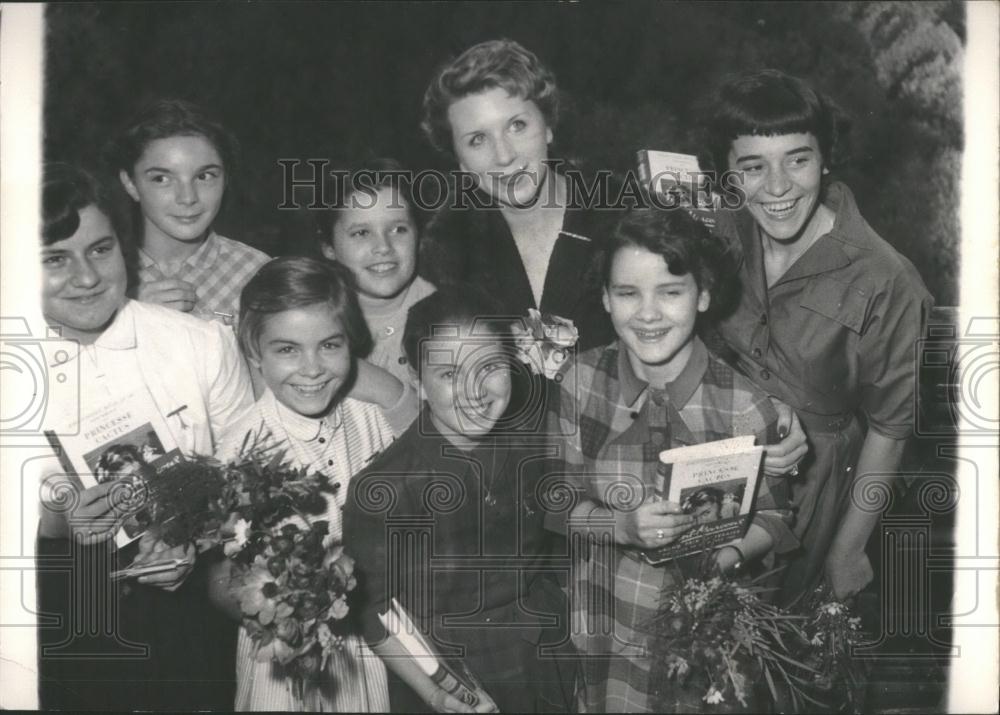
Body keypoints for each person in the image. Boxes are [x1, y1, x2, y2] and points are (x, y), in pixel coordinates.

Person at [547, 206, 798, 713]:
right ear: (604, 298)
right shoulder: (580, 380)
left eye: (671, 291)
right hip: (604, 622)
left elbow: (776, 515)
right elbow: (555, 500)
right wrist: (618, 526)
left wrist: (718, 560)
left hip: (697, 635)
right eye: (627, 293)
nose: (648, 313)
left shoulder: (746, 406)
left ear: (703, 295)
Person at [702, 69, 934, 602]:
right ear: (728, 175)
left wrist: (849, 548)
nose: (778, 187)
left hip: (814, 493)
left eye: (798, 160)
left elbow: (890, 431)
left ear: (825, 159)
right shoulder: (718, 232)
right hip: (711, 473)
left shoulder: (887, 279)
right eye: (753, 167)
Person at [36, 163, 255, 710]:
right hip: (59, 630)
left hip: (190, 629)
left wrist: (198, 537)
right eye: (55, 259)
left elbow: (252, 482)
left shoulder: (199, 343)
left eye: (101, 249)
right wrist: (60, 519)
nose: (86, 277)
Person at [343, 288, 574, 713]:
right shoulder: (384, 488)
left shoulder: (531, 448)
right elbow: (374, 615)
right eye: (449, 375)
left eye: (489, 366)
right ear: (417, 379)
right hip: (447, 678)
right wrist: (436, 693)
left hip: (540, 660)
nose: (474, 390)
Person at [210, 256, 395, 711]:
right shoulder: (241, 448)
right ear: (254, 352)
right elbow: (226, 576)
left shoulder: (372, 418)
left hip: (368, 645)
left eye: (329, 345)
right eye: (287, 349)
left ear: (351, 341)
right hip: (280, 655)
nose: (311, 368)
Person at [420, 38, 614, 351]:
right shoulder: (446, 252)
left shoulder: (624, 218)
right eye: (477, 140)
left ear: (548, 126)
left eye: (517, 125)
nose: (504, 156)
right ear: (460, 161)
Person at [108, 98, 269, 327]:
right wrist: (125, 316)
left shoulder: (256, 272)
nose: (188, 197)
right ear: (130, 184)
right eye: (162, 179)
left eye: (204, 176)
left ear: (225, 179)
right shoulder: (97, 274)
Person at [316, 158, 435, 429]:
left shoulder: (448, 319)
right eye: (361, 233)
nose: (383, 246)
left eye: (398, 229)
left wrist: (388, 391)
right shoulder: (312, 322)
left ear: (419, 235)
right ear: (328, 246)